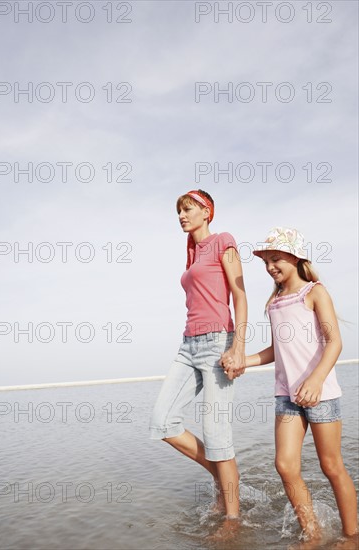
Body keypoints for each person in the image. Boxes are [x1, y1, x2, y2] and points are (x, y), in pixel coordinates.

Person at [229, 227, 357, 546]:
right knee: (285, 465)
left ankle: (352, 535)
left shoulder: (315, 292)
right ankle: (311, 532)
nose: (271, 266)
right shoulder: (274, 303)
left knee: (331, 466)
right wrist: (243, 359)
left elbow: (334, 342)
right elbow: (276, 351)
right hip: (287, 395)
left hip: (321, 393)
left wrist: (315, 380)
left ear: (295, 258)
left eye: (276, 259)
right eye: (266, 261)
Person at [149, 189, 247, 529]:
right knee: (163, 422)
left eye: (188, 209)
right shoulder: (190, 253)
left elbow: (239, 295)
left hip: (219, 341)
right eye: (179, 211)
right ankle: (222, 474)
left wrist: (239, 347)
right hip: (187, 345)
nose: (181, 215)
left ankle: (232, 519)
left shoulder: (224, 240)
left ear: (207, 211)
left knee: (217, 432)